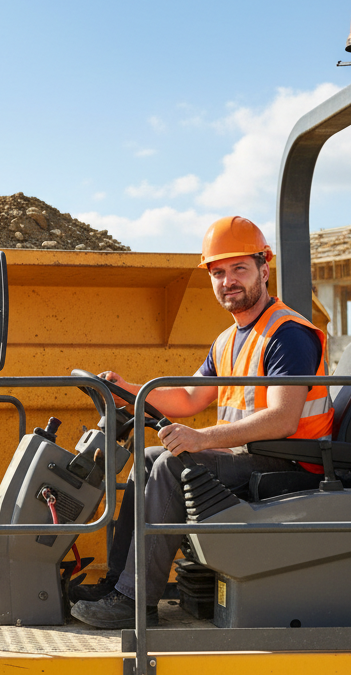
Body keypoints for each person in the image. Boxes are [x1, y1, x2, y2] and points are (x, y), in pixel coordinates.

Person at [70, 215, 333, 629]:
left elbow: (283, 419)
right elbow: (190, 397)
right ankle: (117, 585)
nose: (228, 281)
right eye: (219, 272)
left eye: (239, 269)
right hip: (251, 456)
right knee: (149, 457)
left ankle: (135, 601)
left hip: (292, 465)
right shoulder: (228, 339)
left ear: (265, 269)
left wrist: (201, 438)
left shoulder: (288, 334)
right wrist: (129, 388)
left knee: (173, 465)